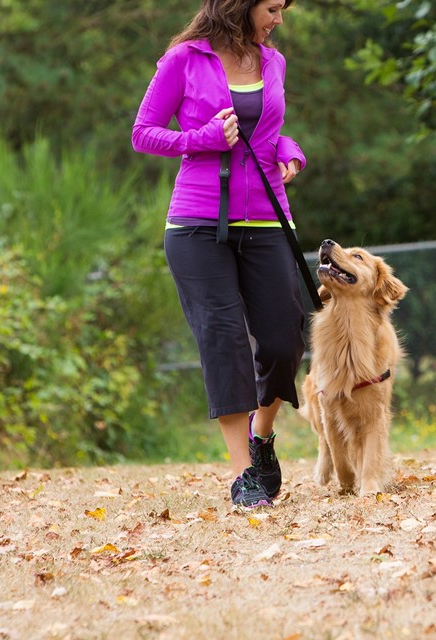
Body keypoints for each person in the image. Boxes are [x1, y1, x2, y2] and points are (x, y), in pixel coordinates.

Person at [131, 0, 306, 509]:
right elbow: (143, 133)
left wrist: (289, 148)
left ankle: (263, 435)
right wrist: (200, 140)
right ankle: (244, 475)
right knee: (223, 338)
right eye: (272, 8)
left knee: (282, 340)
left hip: (268, 218)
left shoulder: (272, 61)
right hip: (196, 223)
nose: (278, 19)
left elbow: (265, 128)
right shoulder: (184, 59)